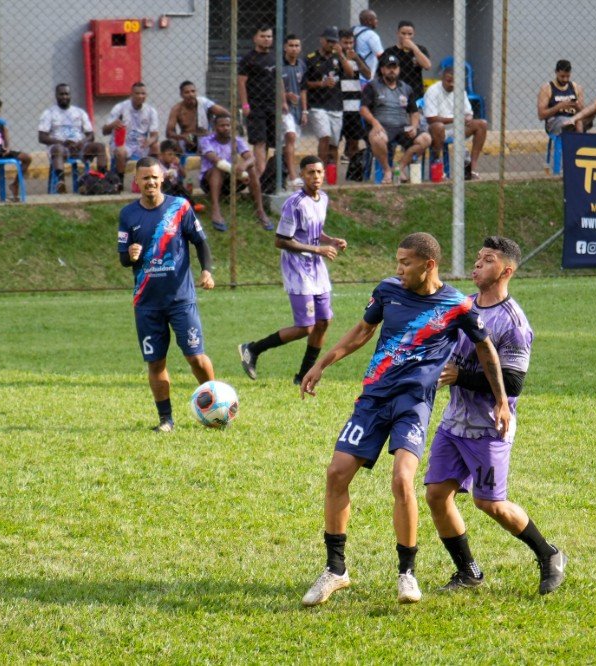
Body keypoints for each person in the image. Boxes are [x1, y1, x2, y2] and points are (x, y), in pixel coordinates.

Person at [298, 232, 511, 607]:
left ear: (429, 265)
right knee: (336, 473)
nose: (398, 269)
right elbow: (363, 331)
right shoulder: (387, 291)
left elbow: (485, 348)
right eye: (397, 262)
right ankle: (335, 570)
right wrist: (322, 363)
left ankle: (406, 574)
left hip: (412, 405)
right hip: (373, 399)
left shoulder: (457, 305)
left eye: (405, 263)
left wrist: (501, 401)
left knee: (402, 480)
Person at [424, 236, 567, 596]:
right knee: (437, 494)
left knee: (489, 503)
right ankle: (468, 572)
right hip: (454, 422)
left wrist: (461, 375)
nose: (477, 264)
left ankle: (549, 554)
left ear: (506, 271)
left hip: (489, 426)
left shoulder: (513, 323)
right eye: (478, 257)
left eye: (487, 260)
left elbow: (514, 383)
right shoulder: (464, 305)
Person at [117, 157, 216, 432]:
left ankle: (216, 406)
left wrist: (207, 271)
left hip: (181, 299)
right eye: (144, 178)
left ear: (162, 179)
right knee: (155, 362)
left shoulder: (179, 207)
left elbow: (200, 242)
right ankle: (166, 420)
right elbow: (124, 259)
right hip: (147, 303)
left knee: (195, 357)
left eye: (154, 177)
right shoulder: (128, 215)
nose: (150, 182)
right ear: (136, 181)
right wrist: (130, 254)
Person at [237, 156, 348, 385]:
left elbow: (313, 230)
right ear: (302, 175)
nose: (316, 176)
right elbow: (281, 240)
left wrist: (331, 240)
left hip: (316, 267)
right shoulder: (294, 203)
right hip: (297, 268)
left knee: (324, 321)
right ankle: (253, 349)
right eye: (310, 172)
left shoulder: (323, 198)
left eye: (319, 172)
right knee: (306, 327)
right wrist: (318, 249)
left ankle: (303, 376)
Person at [360, 54, 431, 184]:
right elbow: (363, 109)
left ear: (399, 69)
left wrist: (414, 127)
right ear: (382, 69)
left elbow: (414, 112)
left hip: (403, 127)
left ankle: (399, 167)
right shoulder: (373, 86)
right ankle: (387, 169)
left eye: (395, 67)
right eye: (389, 67)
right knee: (377, 138)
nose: (392, 70)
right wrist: (375, 123)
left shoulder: (406, 88)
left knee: (426, 139)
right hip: (382, 126)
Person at [198, 113, 273, 232]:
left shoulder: (237, 140)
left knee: (251, 168)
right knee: (217, 168)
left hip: (232, 181)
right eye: (222, 125)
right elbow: (215, 160)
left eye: (228, 125)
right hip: (209, 182)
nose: (226, 128)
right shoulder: (206, 141)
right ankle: (216, 211)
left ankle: (260, 210)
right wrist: (237, 171)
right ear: (215, 127)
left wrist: (244, 165)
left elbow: (251, 158)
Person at [38, 83, 108, 193]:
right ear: (56, 95)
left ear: (70, 95)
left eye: (67, 94)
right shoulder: (49, 113)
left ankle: (102, 179)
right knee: (57, 149)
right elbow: (42, 137)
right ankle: (61, 182)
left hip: (79, 147)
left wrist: (82, 142)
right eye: (61, 94)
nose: (64, 97)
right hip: (61, 149)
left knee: (100, 147)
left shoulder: (79, 112)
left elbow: (91, 135)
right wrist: (62, 142)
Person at [424, 66, 489, 180]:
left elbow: (468, 112)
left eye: (454, 81)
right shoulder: (433, 90)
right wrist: (456, 119)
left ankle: (472, 169)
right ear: (442, 78)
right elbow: (431, 119)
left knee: (482, 124)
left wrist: (468, 117)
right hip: (436, 129)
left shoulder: (460, 91)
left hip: (457, 128)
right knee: (439, 126)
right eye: (448, 81)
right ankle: (438, 166)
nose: (451, 84)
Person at [305, 27, 354, 169]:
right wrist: (321, 84)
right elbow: (304, 83)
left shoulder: (338, 57)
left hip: (336, 105)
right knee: (325, 136)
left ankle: (331, 173)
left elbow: (350, 74)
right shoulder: (311, 58)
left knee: (334, 143)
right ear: (322, 40)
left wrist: (341, 55)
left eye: (334, 42)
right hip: (317, 105)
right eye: (329, 41)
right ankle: (320, 171)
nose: (332, 44)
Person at [238, 25, 282, 177]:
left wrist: (283, 102)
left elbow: (279, 81)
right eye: (262, 36)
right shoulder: (248, 59)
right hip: (256, 106)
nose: (266, 39)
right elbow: (241, 82)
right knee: (259, 141)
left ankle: (271, 174)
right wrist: (245, 104)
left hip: (273, 105)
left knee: (273, 141)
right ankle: (262, 176)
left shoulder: (275, 57)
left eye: (269, 36)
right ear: (255, 38)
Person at [102, 82, 161, 189]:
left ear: (146, 95)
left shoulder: (151, 111)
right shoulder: (120, 108)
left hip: (141, 145)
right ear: (131, 94)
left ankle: (154, 177)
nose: (140, 96)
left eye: (143, 94)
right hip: (123, 144)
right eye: (137, 93)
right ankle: (120, 182)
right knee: (120, 151)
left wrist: (150, 141)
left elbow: (155, 135)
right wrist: (113, 125)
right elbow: (104, 131)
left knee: (156, 146)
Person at [536, 60, 596, 138]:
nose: (565, 79)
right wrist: (559, 106)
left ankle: (574, 121)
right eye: (562, 76)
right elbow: (541, 115)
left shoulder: (576, 87)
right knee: (577, 122)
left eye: (568, 76)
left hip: (576, 118)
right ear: (556, 72)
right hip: (557, 121)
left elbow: (582, 111)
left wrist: (576, 106)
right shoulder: (547, 88)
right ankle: (579, 141)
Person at [165, 81, 228, 155]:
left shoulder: (204, 103)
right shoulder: (177, 109)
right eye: (187, 92)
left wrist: (218, 127)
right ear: (181, 95)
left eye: (193, 91)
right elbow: (169, 132)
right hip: (188, 139)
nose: (191, 94)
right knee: (173, 143)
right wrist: (183, 137)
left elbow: (225, 113)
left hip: (206, 136)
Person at [338, 28, 371, 163]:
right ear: (339, 42)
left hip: (354, 104)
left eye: (351, 43)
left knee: (354, 141)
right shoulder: (334, 57)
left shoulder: (357, 57)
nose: (348, 46)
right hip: (337, 104)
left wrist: (357, 59)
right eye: (345, 43)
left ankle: (353, 169)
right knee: (334, 142)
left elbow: (368, 75)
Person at [381, 21, 431, 101]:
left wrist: (414, 48)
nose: (406, 37)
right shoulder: (389, 51)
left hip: (415, 93)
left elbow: (427, 66)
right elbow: (380, 73)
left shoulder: (420, 49)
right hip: (395, 93)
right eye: (403, 33)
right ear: (397, 33)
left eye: (410, 34)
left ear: (414, 34)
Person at [283, 34, 308, 186]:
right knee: (290, 137)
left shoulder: (302, 65)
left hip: (297, 110)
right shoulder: (279, 65)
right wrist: (286, 96)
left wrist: (304, 111)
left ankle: (282, 175)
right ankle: (293, 177)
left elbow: (303, 89)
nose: (294, 48)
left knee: (289, 144)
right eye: (291, 45)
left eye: (296, 45)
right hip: (282, 110)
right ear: (285, 47)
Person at [352, 9, 384, 76]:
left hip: (351, 72)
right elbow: (381, 56)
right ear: (369, 21)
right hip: (366, 76)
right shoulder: (371, 35)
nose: (377, 21)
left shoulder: (353, 30)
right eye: (375, 19)